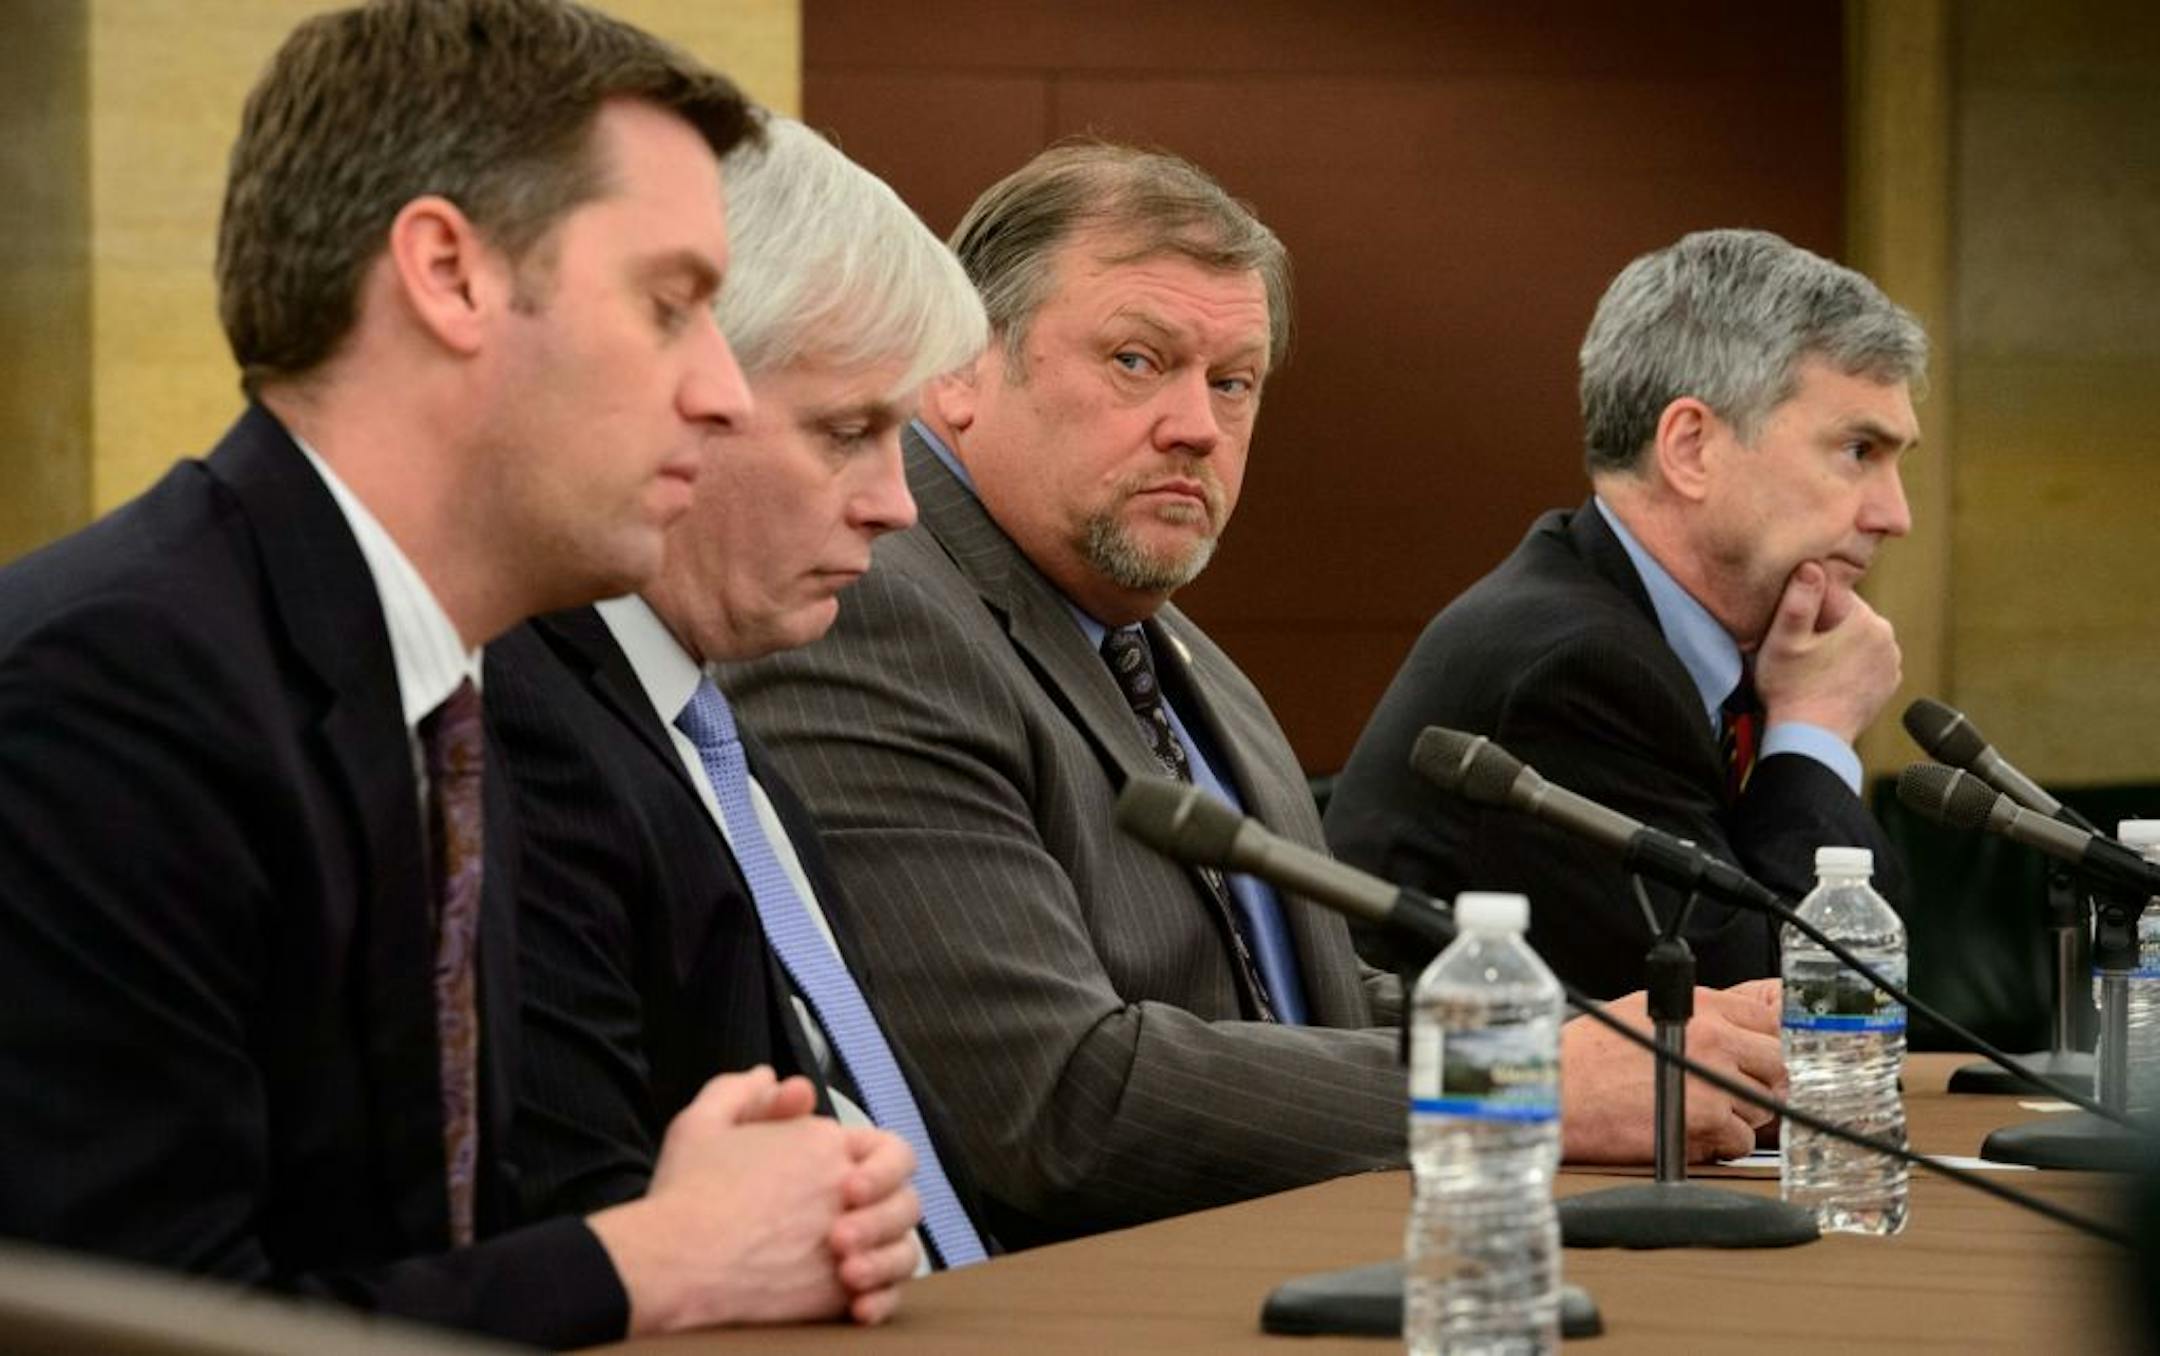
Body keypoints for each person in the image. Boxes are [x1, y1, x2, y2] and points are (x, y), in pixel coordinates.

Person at [0, 1, 915, 1344]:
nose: (724, 392)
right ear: (449, 274)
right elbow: (127, 1328)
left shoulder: (427, 679)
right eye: (670, 306)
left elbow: (396, 1247)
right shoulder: (105, 695)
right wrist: (647, 1261)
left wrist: (707, 1219)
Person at [721, 144, 1787, 1249]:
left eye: (1233, 382)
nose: (1197, 425)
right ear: (958, 370)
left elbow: (1306, 1001)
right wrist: (1521, 1080)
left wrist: (1613, 1047)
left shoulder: (1175, 650)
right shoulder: (872, 609)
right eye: (1138, 360)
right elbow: (1056, 1097)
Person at [486, 117, 994, 1271]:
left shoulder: (710, 730)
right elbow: (593, 1225)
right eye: (848, 432)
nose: (897, 503)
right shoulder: (523, 722)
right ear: (684, 395)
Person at [1326, 228, 1924, 999]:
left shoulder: (1643, 630)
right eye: (1859, 451)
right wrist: (1814, 732)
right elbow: (1780, 1012)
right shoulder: (1573, 672)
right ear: (1691, 449)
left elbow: (1879, 969)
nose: (1895, 515)